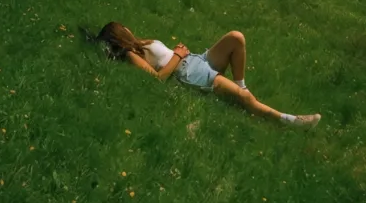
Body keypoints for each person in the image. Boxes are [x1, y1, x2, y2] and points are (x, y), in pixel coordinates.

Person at [91, 22, 321, 128]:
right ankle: (290, 121)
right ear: (121, 35)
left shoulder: (141, 43)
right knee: (246, 101)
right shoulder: (131, 55)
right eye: (124, 28)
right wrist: (178, 56)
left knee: (236, 37)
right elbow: (157, 79)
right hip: (188, 71)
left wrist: (180, 53)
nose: (129, 28)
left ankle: (242, 85)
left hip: (196, 60)